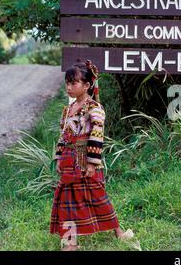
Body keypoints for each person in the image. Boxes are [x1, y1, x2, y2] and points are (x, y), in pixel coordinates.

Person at [50, 60, 133, 251]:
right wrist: (59, 157)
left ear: (87, 85)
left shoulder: (94, 108)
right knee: (66, 201)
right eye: (67, 83)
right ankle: (71, 243)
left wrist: (92, 163)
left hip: (85, 160)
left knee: (98, 196)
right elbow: (64, 136)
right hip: (69, 161)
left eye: (74, 83)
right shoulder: (68, 109)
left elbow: (97, 135)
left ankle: (119, 232)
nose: (69, 87)